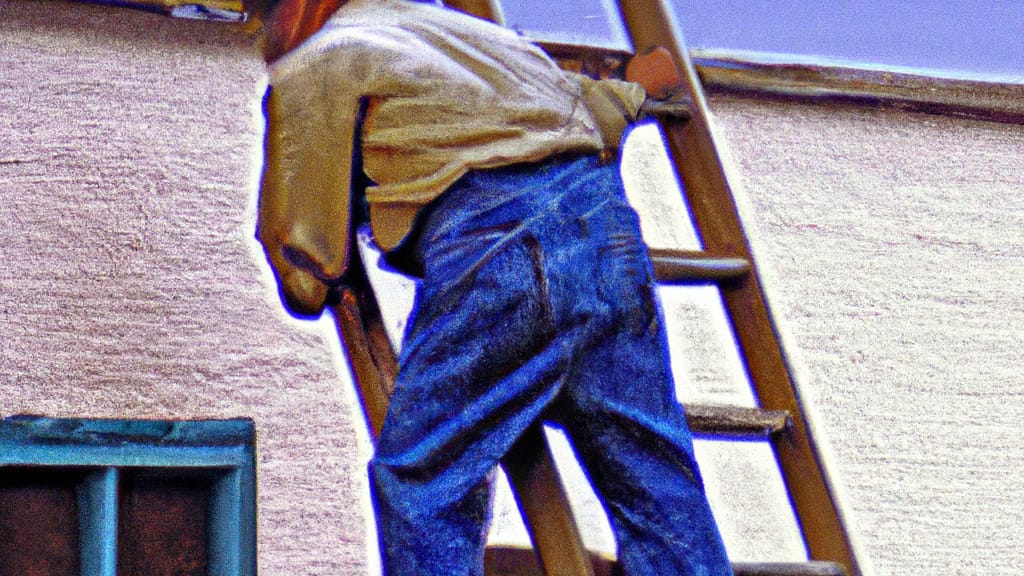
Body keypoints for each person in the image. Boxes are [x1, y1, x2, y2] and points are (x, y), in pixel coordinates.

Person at [249, 0, 733, 574]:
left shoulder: (318, 61)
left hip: (500, 246)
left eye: (262, 10)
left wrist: (317, 243)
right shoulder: (480, 39)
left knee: (423, 479)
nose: (259, 28)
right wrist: (634, 83)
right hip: (607, 237)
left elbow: (307, 260)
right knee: (653, 479)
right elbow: (594, 113)